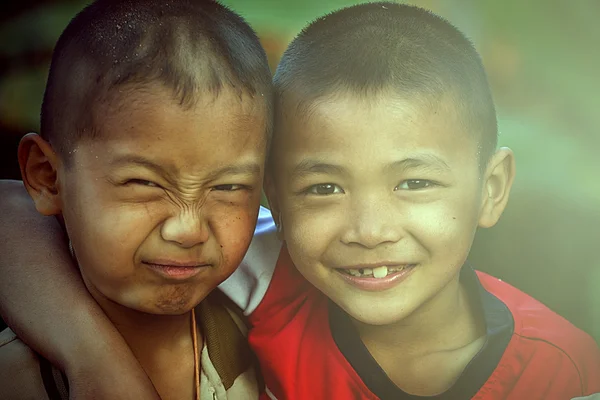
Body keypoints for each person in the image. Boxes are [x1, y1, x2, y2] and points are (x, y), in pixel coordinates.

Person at [1, 2, 599, 399]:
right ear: (277, 200)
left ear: (490, 190)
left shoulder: (562, 370)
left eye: (414, 183)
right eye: (325, 188)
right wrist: (97, 363)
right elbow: (13, 214)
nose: (368, 230)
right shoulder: (269, 270)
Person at [0, 0, 272, 399]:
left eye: (228, 187)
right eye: (144, 183)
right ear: (47, 177)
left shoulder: (274, 326)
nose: (188, 230)